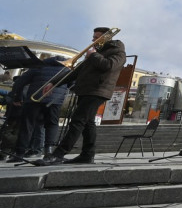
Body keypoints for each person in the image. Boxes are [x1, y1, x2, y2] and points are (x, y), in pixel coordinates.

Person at [36, 27, 126, 165]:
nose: (92, 40)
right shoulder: (97, 52)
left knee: (77, 120)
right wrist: (54, 83)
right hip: (85, 90)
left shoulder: (117, 51)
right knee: (88, 123)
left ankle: (58, 154)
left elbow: (109, 65)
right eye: (93, 37)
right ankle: (87, 155)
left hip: (98, 90)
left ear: (106, 38)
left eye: (96, 38)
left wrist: (93, 56)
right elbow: (76, 71)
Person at [7, 57, 69, 161]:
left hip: (34, 100)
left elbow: (19, 82)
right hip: (54, 101)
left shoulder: (38, 67)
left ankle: (19, 153)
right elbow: (72, 85)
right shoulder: (66, 70)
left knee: (27, 125)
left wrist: (17, 97)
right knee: (52, 125)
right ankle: (48, 152)